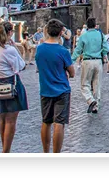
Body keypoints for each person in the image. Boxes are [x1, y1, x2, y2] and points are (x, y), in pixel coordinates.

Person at [0, 21, 29, 152]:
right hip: (11, 82)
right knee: (11, 120)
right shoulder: (9, 49)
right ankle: (6, 151)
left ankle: (4, 148)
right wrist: (15, 48)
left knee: (2, 118)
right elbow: (21, 65)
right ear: (10, 33)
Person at [35, 19, 75, 152]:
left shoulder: (39, 49)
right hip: (61, 90)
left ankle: (45, 152)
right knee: (59, 123)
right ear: (60, 34)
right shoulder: (63, 51)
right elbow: (72, 72)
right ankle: (56, 153)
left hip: (45, 89)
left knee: (46, 122)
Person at [71, 17, 109, 114]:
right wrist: (104, 55)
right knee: (97, 84)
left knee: (85, 84)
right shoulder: (100, 35)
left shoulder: (84, 36)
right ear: (95, 25)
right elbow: (105, 47)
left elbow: (78, 50)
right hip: (98, 61)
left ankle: (90, 100)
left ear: (87, 25)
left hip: (87, 61)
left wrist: (71, 60)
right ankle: (96, 106)